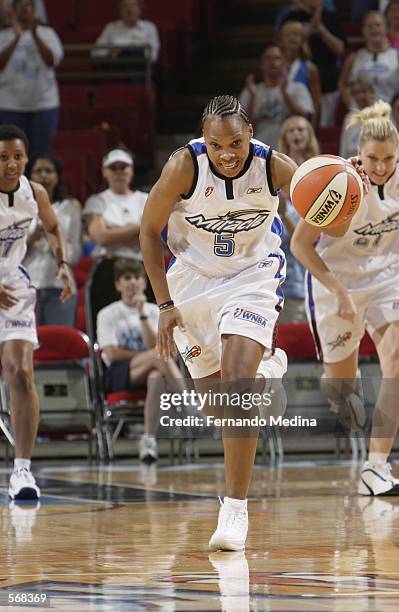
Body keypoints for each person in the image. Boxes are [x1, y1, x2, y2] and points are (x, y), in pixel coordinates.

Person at [140, 95, 296, 551]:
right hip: (190, 283)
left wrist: (351, 182)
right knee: (216, 408)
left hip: (253, 276)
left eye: (235, 142)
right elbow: (149, 232)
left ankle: (234, 510)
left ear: (250, 133)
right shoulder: (183, 166)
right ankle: (271, 367)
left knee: (238, 387)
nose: (227, 153)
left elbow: (322, 186)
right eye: (216, 144)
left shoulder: (273, 166)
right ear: (202, 141)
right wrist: (165, 305)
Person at [291, 100, 399, 496]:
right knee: (341, 384)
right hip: (336, 282)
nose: (381, 166)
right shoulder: (341, 180)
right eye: (373, 158)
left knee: (396, 361)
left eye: (389, 159)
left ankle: (376, 467)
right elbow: (300, 245)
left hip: (388, 277)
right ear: (360, 152)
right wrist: (337, 290)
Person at [0, 125, 73, 500]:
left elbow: (54, 226)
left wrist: (63, 264)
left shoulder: (34, 192)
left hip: (12, 285)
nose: (12, 164)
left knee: (21, 372)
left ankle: (22, 471)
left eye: (18, 157)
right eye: (3, 158)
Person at [97, 258, 183, 462]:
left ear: (144, 283)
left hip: (154, 368)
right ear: (118, 284)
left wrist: (143, 315)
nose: (133, 282)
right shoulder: (108, 313)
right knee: (157, 357)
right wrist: (149, 356)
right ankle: (190, 404)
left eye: (137, 277)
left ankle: (148, 440)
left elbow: (163, 349)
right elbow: (111, 354)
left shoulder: (156, 311)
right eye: (127, 278)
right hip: (119, 372)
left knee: (156, 376)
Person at [83, 148, 148, 336]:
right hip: (108, 269)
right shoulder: (97, 201)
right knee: (106, 324)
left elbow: (155, 234)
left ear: (131, 170)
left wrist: (115, 232)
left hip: (141, 267)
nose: (119, 172)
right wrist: (138, 228)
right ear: (105, 171)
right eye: (114, 168)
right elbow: (100, 236)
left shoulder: (146, 199)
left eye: (123, 167)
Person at [23, 154, 81, 326]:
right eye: (38, 171)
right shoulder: (20, 206)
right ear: (29, 177)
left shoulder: (70, 208)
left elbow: (76, 254)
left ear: (57, 177)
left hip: (60, 285)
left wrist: (53, 238)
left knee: (58, 346)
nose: (43, 176)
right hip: (26, 284)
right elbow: (9, 253)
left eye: (49, 171)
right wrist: (33, 237)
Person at [0, 0, 63, 155]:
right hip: (10, 104)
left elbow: (51, 61)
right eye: (21, 6)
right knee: (12, 154)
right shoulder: (3, 35)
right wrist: (16, 39)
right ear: (14, 9)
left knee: (42, 153)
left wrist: (35, 35)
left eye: (28, 6)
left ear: (34, 10)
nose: (24, 9)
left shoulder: (47, 33)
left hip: (44, 104)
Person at [276, 115, 319, 322]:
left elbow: (309, 239)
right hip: (285, 280)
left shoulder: (321, 171)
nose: (296, 134)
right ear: (285, 137)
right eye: (291, 130)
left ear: (309, 136)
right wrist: (283, 213)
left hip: (311, 278)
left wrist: (285, 214)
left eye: (301, 130)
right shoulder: (275, 173)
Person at [278, 0, 346, 127]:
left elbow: (340, 49)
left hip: (327, 85)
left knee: (321, 127)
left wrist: (320, 28)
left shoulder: (330, 17)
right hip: (289, 91)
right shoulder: (291, 17)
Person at [239, 44, 314, 149]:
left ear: (284, 63)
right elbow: (240, 125)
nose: (272, 62)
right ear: (262, 64)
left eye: (277, 58)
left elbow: (305, 117)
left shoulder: (298, 89)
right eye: (268, 58)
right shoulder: (250, 91)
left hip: (289, 149)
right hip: (259, 151)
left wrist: (285, 94)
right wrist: (252, 98)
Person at [338, 11, 399, 110]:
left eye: (378, 25)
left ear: (386, 28)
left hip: (389, 114)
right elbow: (342, 84)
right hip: (360, 114)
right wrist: (351, 104)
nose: (373, 29)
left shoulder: (396, 56)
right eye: (369, 26)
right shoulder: (354, 57)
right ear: (363, 30)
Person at [279, 20, 322, 127]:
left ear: (302, 40)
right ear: (281, 39)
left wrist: (313, 127)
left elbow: (316, 102)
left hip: (301, 118)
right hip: (278, 117)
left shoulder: (310, 68)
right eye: (288, 35)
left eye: (296, 35)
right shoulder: (276, 66)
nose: (292, 38)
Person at [93, 0, 160, 64]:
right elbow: (95, 52)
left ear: (140, 9)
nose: (129, 9)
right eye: (125, 6)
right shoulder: (111, 28)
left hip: (140, 69)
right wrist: (110, 51)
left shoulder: (149, 28)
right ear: (120, 10)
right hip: (116, 68)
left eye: (133, 5)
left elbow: (153, 57)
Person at [339, 76, 375, 159]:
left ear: (372, 92)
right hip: (353, 160)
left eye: (364, 91)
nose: (361, 96)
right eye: (357, 93)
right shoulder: (349, 117)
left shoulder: (382, 114)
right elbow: (344, 147)